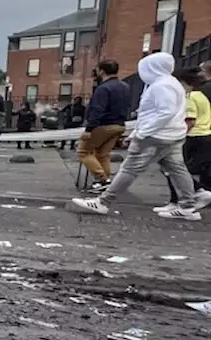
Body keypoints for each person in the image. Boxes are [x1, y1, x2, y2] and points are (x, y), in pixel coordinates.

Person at [72, 52, 200, 220]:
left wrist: (141, 132)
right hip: (171, 134)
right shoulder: (171, 83)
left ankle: (104, 201)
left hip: (155, 136)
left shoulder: (161, 86)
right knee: (177, 169)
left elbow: (165, 113)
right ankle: (188, 205)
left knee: (129, 168)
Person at [154, 68, 211, 212]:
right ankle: (181, 200)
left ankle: (184, 198)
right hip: (204, 135)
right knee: (174, 168)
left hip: (192, 137)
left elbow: (190, 120)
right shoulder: (201, 96)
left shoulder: (189, 97)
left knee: (173, 168)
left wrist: (176, 136)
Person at [79, 60, 129, 191]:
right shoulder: (125, 86)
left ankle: (102, 178)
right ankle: (104, 183)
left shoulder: (103, 88)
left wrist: (89, 129)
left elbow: (98, 109)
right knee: (103, 154)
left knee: (84, 152)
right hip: (119, 124)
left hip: (103, 125)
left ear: (101, 71)